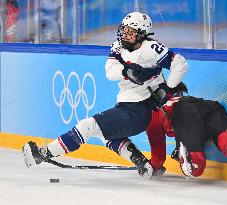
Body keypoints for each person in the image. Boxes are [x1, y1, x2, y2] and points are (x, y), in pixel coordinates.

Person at [22, 12, 188, 179]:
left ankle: (43, 153)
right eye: (124, 30)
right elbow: (110, 71)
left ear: (142, 34)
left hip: (139, 110)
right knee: (104, 134)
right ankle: (143, 164)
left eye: (131, 31)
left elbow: (180, 63)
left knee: (88, 126)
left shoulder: (151, 49)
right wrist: (125, 71)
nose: (125, 34)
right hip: (128, 106)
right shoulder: (118, 45)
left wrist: (167, 88)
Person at [146, 83, 227, 187]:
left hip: (186, 114)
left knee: (197, 167)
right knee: (226, 139)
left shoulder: (152, 115)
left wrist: (151, 167)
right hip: (209, 106)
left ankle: (185, 151)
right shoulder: (177, 96)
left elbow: (158, 154)